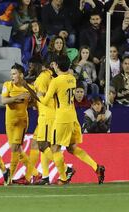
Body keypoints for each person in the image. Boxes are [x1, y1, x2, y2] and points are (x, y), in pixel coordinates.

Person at [38, 55, 105, 185]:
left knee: (55, 148)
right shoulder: (72, 79)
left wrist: (40, 95)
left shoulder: (56, 81)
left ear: (56, 65)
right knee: (72, 148)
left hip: (62, 118)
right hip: (72, 117)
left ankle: (63, 177)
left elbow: (45, 101)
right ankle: (96, 167)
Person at [1, 63, 40, 185]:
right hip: (9, 122)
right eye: (11, 74)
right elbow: (3, 100)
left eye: (14, 74)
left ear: (21, 75)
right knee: (17, 149)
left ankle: (12, 178)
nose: (12, 76)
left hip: (21, 122)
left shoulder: (27, 88)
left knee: (15, 148)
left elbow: (35, 101)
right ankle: (35, 174)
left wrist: (29, 102)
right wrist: (17, 98)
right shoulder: (7, 85)